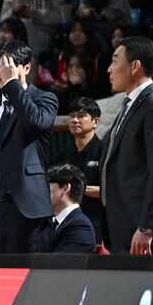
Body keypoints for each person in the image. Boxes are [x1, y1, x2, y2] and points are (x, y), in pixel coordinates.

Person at [0, 40, 57, 253]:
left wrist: (12, 83)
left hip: (26, 210)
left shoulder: (45, 99)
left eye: (7, 65)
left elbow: (35, 122)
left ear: (27, 68)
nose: (1, 71)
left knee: (26, 273)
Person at [101, 36, 153, 255]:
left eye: (115, 61)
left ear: (135, 66)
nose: (109, 69)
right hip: (121, 229)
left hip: (141, 233)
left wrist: (147, 227)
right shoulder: (129, 104)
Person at [53, 97, 105, 244]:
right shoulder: (64, 153)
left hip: (98, 225)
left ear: (96, 122)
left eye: (81, 116)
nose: (75, 120)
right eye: (72, 116)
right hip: (66, 225)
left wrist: (77, 189)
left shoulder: (105, 151)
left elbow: (113, 191)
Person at [46, 164, 97, 253]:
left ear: (66, 188)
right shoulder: (54, 222)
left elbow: (61, 260)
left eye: (47, 186)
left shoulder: (80, 226)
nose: (43, 192)